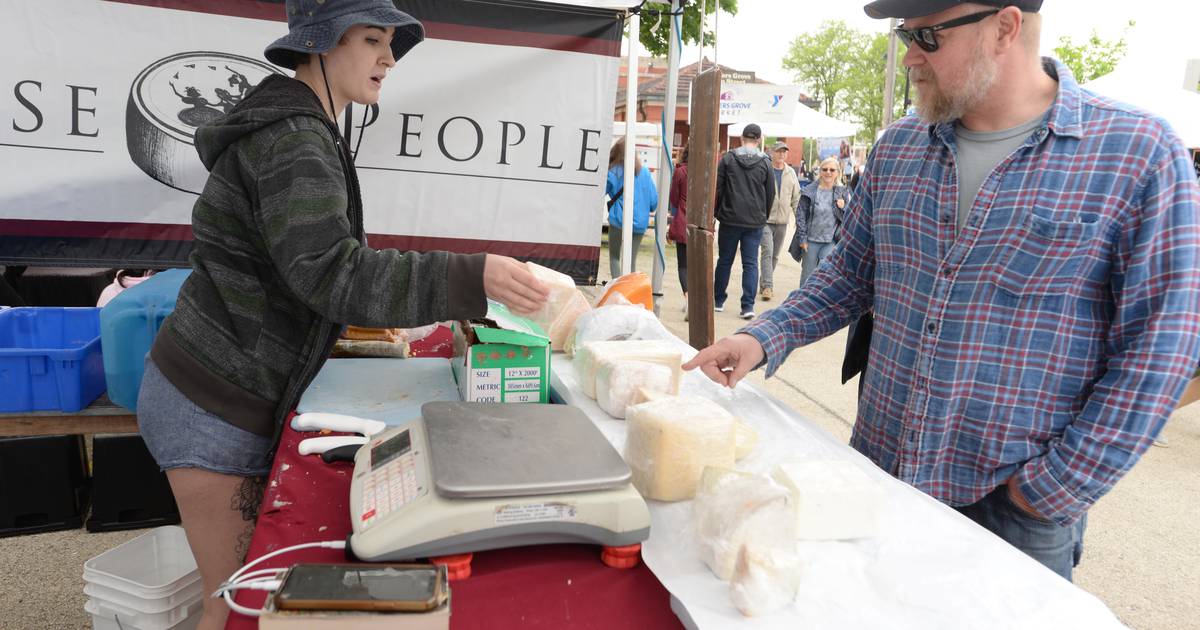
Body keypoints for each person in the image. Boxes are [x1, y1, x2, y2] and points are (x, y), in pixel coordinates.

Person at [683, 0, 1200, 582]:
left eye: (926, 36)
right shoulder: (901, 146)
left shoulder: (1135, 153)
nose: (908, 57)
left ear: (1005, 27)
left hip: (1013, 511)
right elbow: (849, 276)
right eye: (905, 35)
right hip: (878, 472)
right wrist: (761, 337)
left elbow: (1164, 346)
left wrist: (1054, 487)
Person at [135, 2, 550, 627]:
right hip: (212, 402)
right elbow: (328, 272)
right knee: (232, 606)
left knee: (229, 599)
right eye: (372, 39)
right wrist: (469, 275)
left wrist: (410, 294)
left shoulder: (307, 125)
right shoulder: (295, 136)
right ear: (321, 44)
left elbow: (318, 258)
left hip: (217, 386)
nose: (388, 58)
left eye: (391, 43)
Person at [713, 123, 775, 319]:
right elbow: (770, 193)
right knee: (751, 263)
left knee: (725, 261)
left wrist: (719, 212)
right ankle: (747, 306)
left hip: (730, 218)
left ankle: (718, 301)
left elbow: (718, 187)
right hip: (754, 221)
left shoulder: (729, 158)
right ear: (758, 139)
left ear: (741, 138)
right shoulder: (766, 162)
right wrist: (762, 215)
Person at [793, 156, 852, 286]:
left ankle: (819, 303)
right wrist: (802, 239)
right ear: (820, 172)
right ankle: (803, 303)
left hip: (831, 242)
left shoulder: (842, 192)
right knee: (807, 276)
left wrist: (844, 207)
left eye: (832, 170)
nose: (828, 173)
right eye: (825, 169)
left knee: (825, 274)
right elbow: (800, 215)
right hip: (811, 241)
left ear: (838, 172)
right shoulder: (810, 191)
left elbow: (851, 216)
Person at [605, 138, 658, 278]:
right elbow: (654, 202)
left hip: (619, 221)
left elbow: (601, 191)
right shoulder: (645, 173)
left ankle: (618, 291)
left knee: (615, 257)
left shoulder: (614, 172)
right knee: (631, 261)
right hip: (640, 224)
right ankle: (630, 293)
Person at [759, 142, 802, 301]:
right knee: (767, 252)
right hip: (765, 220)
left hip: (782, 221)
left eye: (784, 152)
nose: (782, 155)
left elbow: (796, 198)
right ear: (772, 152)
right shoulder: (765, 170)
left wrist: (799, 219)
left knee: (775, 256)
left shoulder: (791, 173)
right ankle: (768, 286)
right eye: (779, 152)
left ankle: (763, 282)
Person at [668, 144, 690, 313]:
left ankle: (688, 298)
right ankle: (696, 300)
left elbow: (674, 199)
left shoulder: (680, 172)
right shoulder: (710, 173)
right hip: (703, 224)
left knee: (683, 265)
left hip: (683, 220)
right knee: (698, 266)